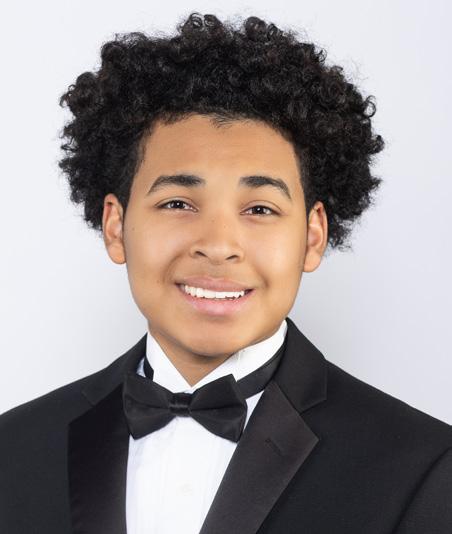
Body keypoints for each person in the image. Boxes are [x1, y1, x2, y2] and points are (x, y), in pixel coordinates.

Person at [0, 11, 451, 534]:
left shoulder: (423, 469)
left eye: (259, 208)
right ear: (116, 226)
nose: (217, 246)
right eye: (177, 203)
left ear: (312, 236)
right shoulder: (14, 449)